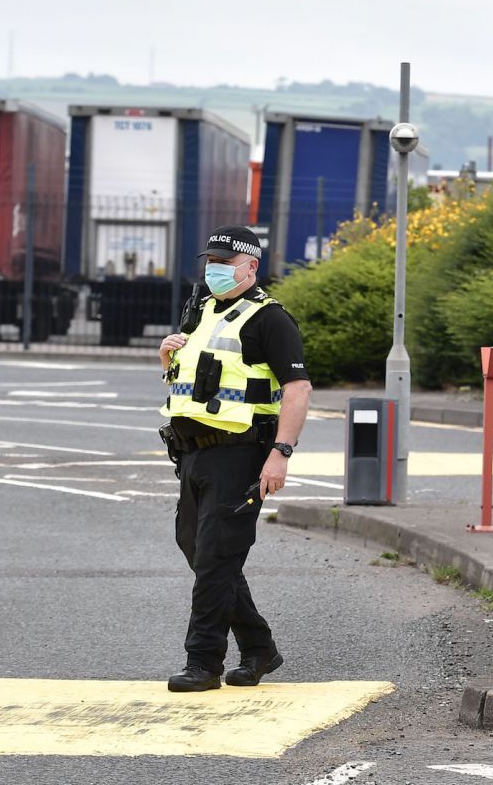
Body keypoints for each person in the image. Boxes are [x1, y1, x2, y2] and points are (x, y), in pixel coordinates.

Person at [157, 225, 312, 692]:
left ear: (251, 268)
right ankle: (259, 646)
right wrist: (165, 357)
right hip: (192, 454)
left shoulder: (270, 320)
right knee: (199, 551)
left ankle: (202, 663)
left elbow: (298, 389)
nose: (216, 271)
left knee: (216, 559)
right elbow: (188, 380)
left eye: (226, 263)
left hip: (241, 454)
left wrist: (280, 455)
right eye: (211, 262)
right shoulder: (201, 311)